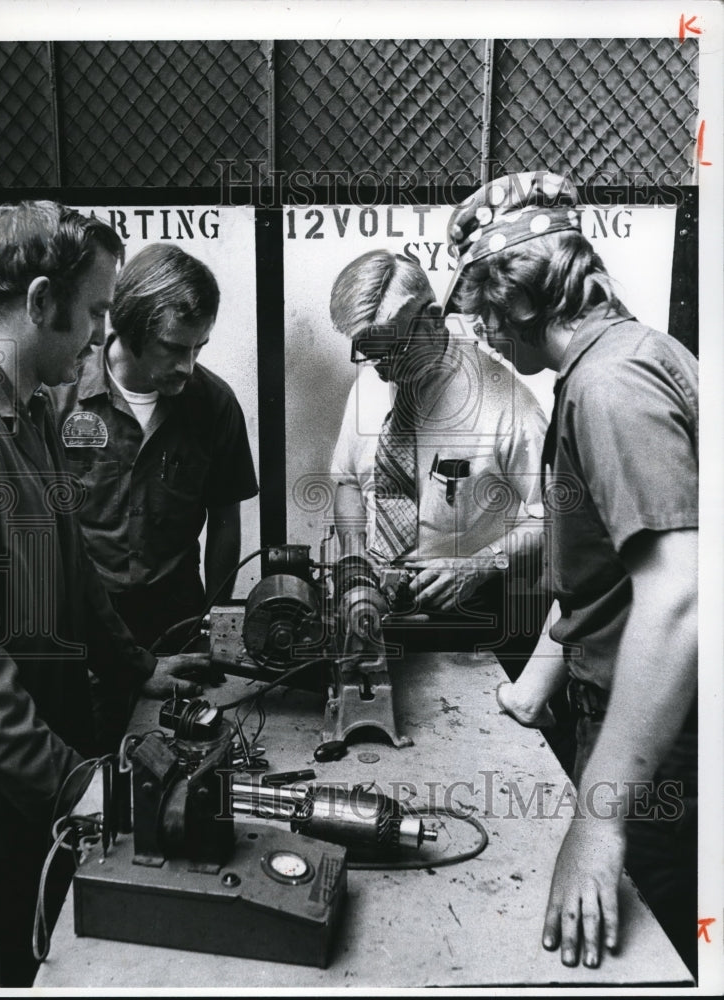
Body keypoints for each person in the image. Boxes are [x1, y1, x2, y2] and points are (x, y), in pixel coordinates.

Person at [445, 171, 698, 974]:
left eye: (482, 307)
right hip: (628, 714)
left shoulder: (610, 387)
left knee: (635, 958)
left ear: (518, 296)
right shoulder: (625, 357)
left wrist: (598, 822)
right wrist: (536, 685)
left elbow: (681, 596)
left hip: (665, 745)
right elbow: (606, 579)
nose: (481, 331)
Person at [0, 202, 206, 987]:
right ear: (39, 303)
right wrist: (73, 783)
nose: (105, 333)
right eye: (96, 312)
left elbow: (72, 571)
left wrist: (137, 670)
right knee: (21, 970)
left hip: (44, 771)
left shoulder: (29, 406)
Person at [329, 250, 548, 654]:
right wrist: (356, 563)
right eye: (369, 352)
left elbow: (554, 520)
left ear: (431, 319)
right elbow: (346, 480)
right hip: (374, 608)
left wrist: (480, 565)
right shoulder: (371, 380)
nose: (382, 369)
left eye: (393, 350)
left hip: (466, 620)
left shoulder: (508, 405)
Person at [49, 243, 258, 653]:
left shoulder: (214, 404)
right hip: (81, 624)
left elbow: (225, 522)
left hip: (175, 622)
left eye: (199, 347)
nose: (188, 365)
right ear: (131, 329)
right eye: (175, 348)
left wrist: (214, 624)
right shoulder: (58, 394)